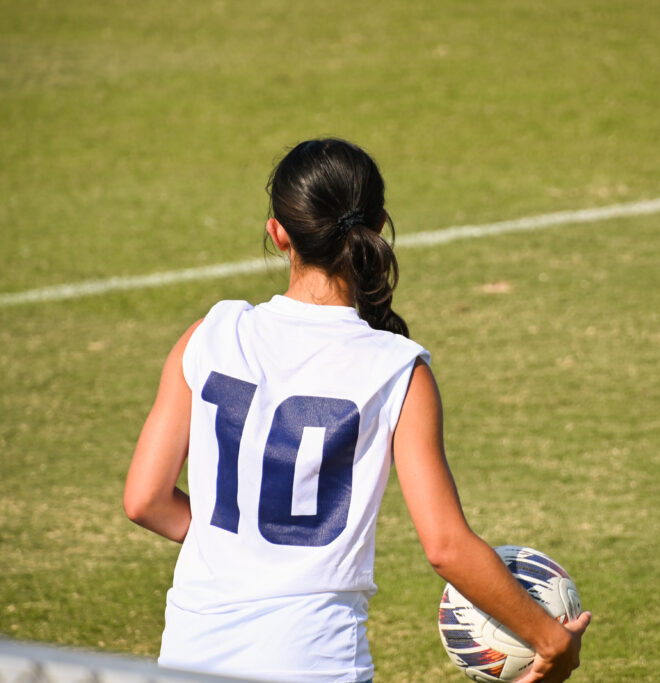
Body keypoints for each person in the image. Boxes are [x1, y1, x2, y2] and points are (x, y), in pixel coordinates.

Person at [123, 138, 591, 683]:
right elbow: (445, 546)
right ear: (380, 224)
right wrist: (552, 641)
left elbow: (144, 500)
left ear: (278, 232)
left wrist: (245, 550)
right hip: (312, 662)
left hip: (188, 656)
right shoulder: (397, 369)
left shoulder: (209, 335)